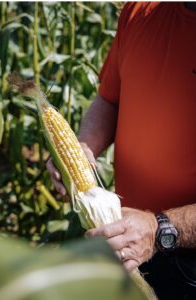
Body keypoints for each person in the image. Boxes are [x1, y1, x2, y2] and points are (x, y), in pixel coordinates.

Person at [46, 2, 196, 299]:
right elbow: (110, 99)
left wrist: (159, 229)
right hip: (126, 240)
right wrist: (85, 146)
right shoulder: (141, 9)